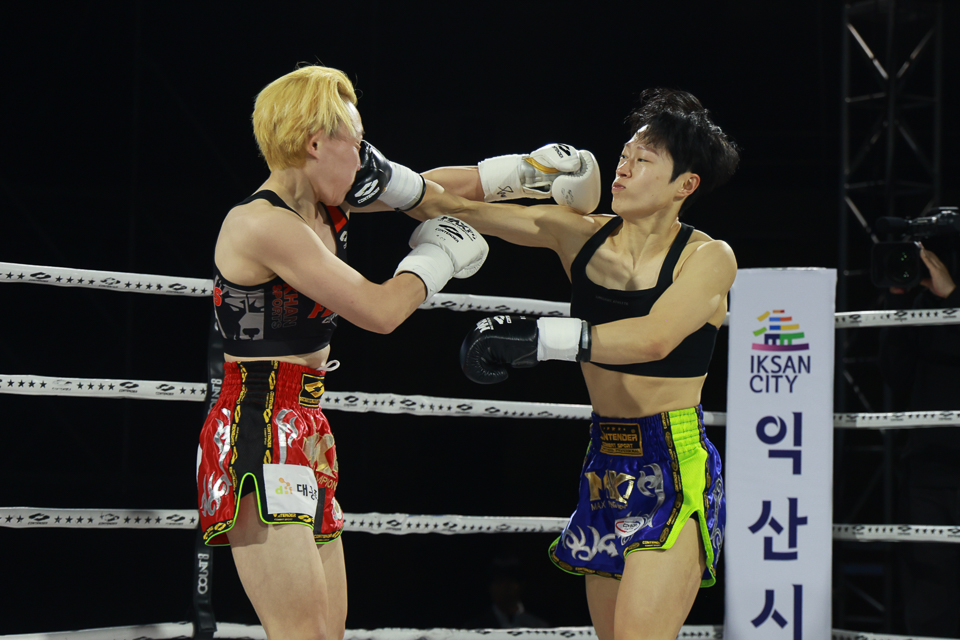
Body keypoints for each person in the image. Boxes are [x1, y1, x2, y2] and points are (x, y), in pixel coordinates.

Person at [413, 88, 739, 640]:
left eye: (644, 160)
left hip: (673, 463)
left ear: (685, 185)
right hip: (605, 461)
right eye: (625, 155)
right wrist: (519, 172)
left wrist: (541, 338)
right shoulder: (579, 234)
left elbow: (654, 339)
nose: (623, 168)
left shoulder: (707, 257)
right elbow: (443, 202)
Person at [194, 65, 495, 640]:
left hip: (305, 421)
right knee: (303, 635)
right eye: (356, 143)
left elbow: (428, 189)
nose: (364, 160)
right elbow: (380, 311)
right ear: (316, 143)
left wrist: (526, 171)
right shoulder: (261, 224)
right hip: (257, 422)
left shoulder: (328, 209)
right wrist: (438, 257)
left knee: (328, 634)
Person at [878, 242, 960, 636]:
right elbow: (895, 376)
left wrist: (953, 298)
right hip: (929, 466)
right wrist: (899, 297)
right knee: (930, 591)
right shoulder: (922, 308)